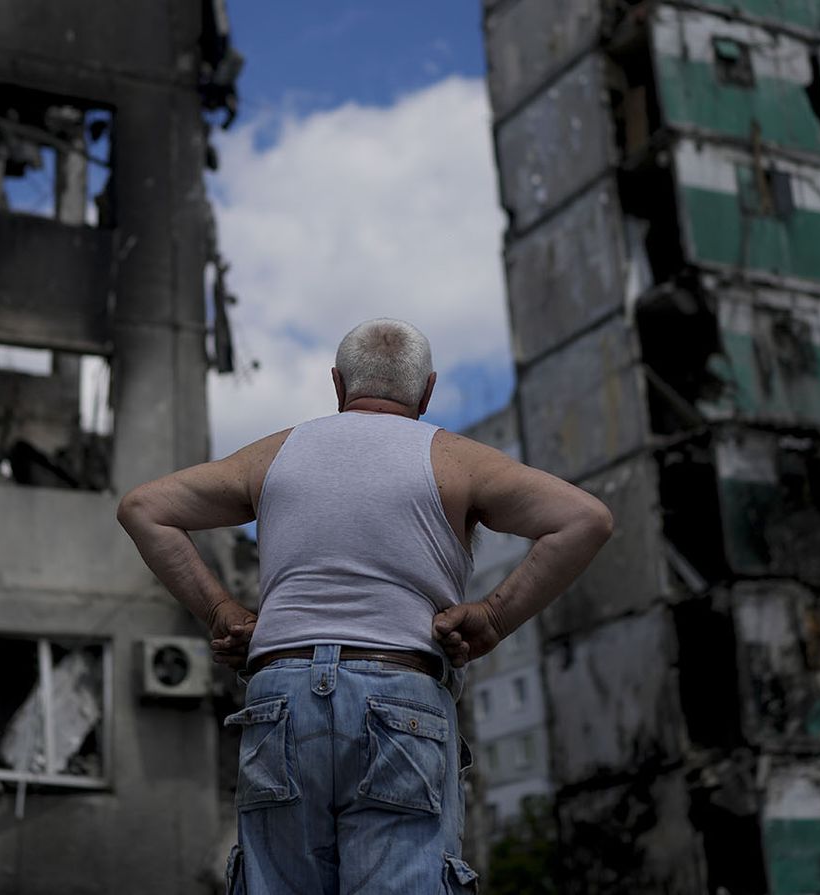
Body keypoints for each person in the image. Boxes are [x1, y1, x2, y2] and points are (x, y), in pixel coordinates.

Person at [117, 318, 614, 894]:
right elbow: (586, 519)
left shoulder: (273, 455)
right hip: (401, 693)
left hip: (281, 696)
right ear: (427, 391)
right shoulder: (457, 460)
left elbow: (143, 508)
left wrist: (221, 612)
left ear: (338, 384)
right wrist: (495, 618)